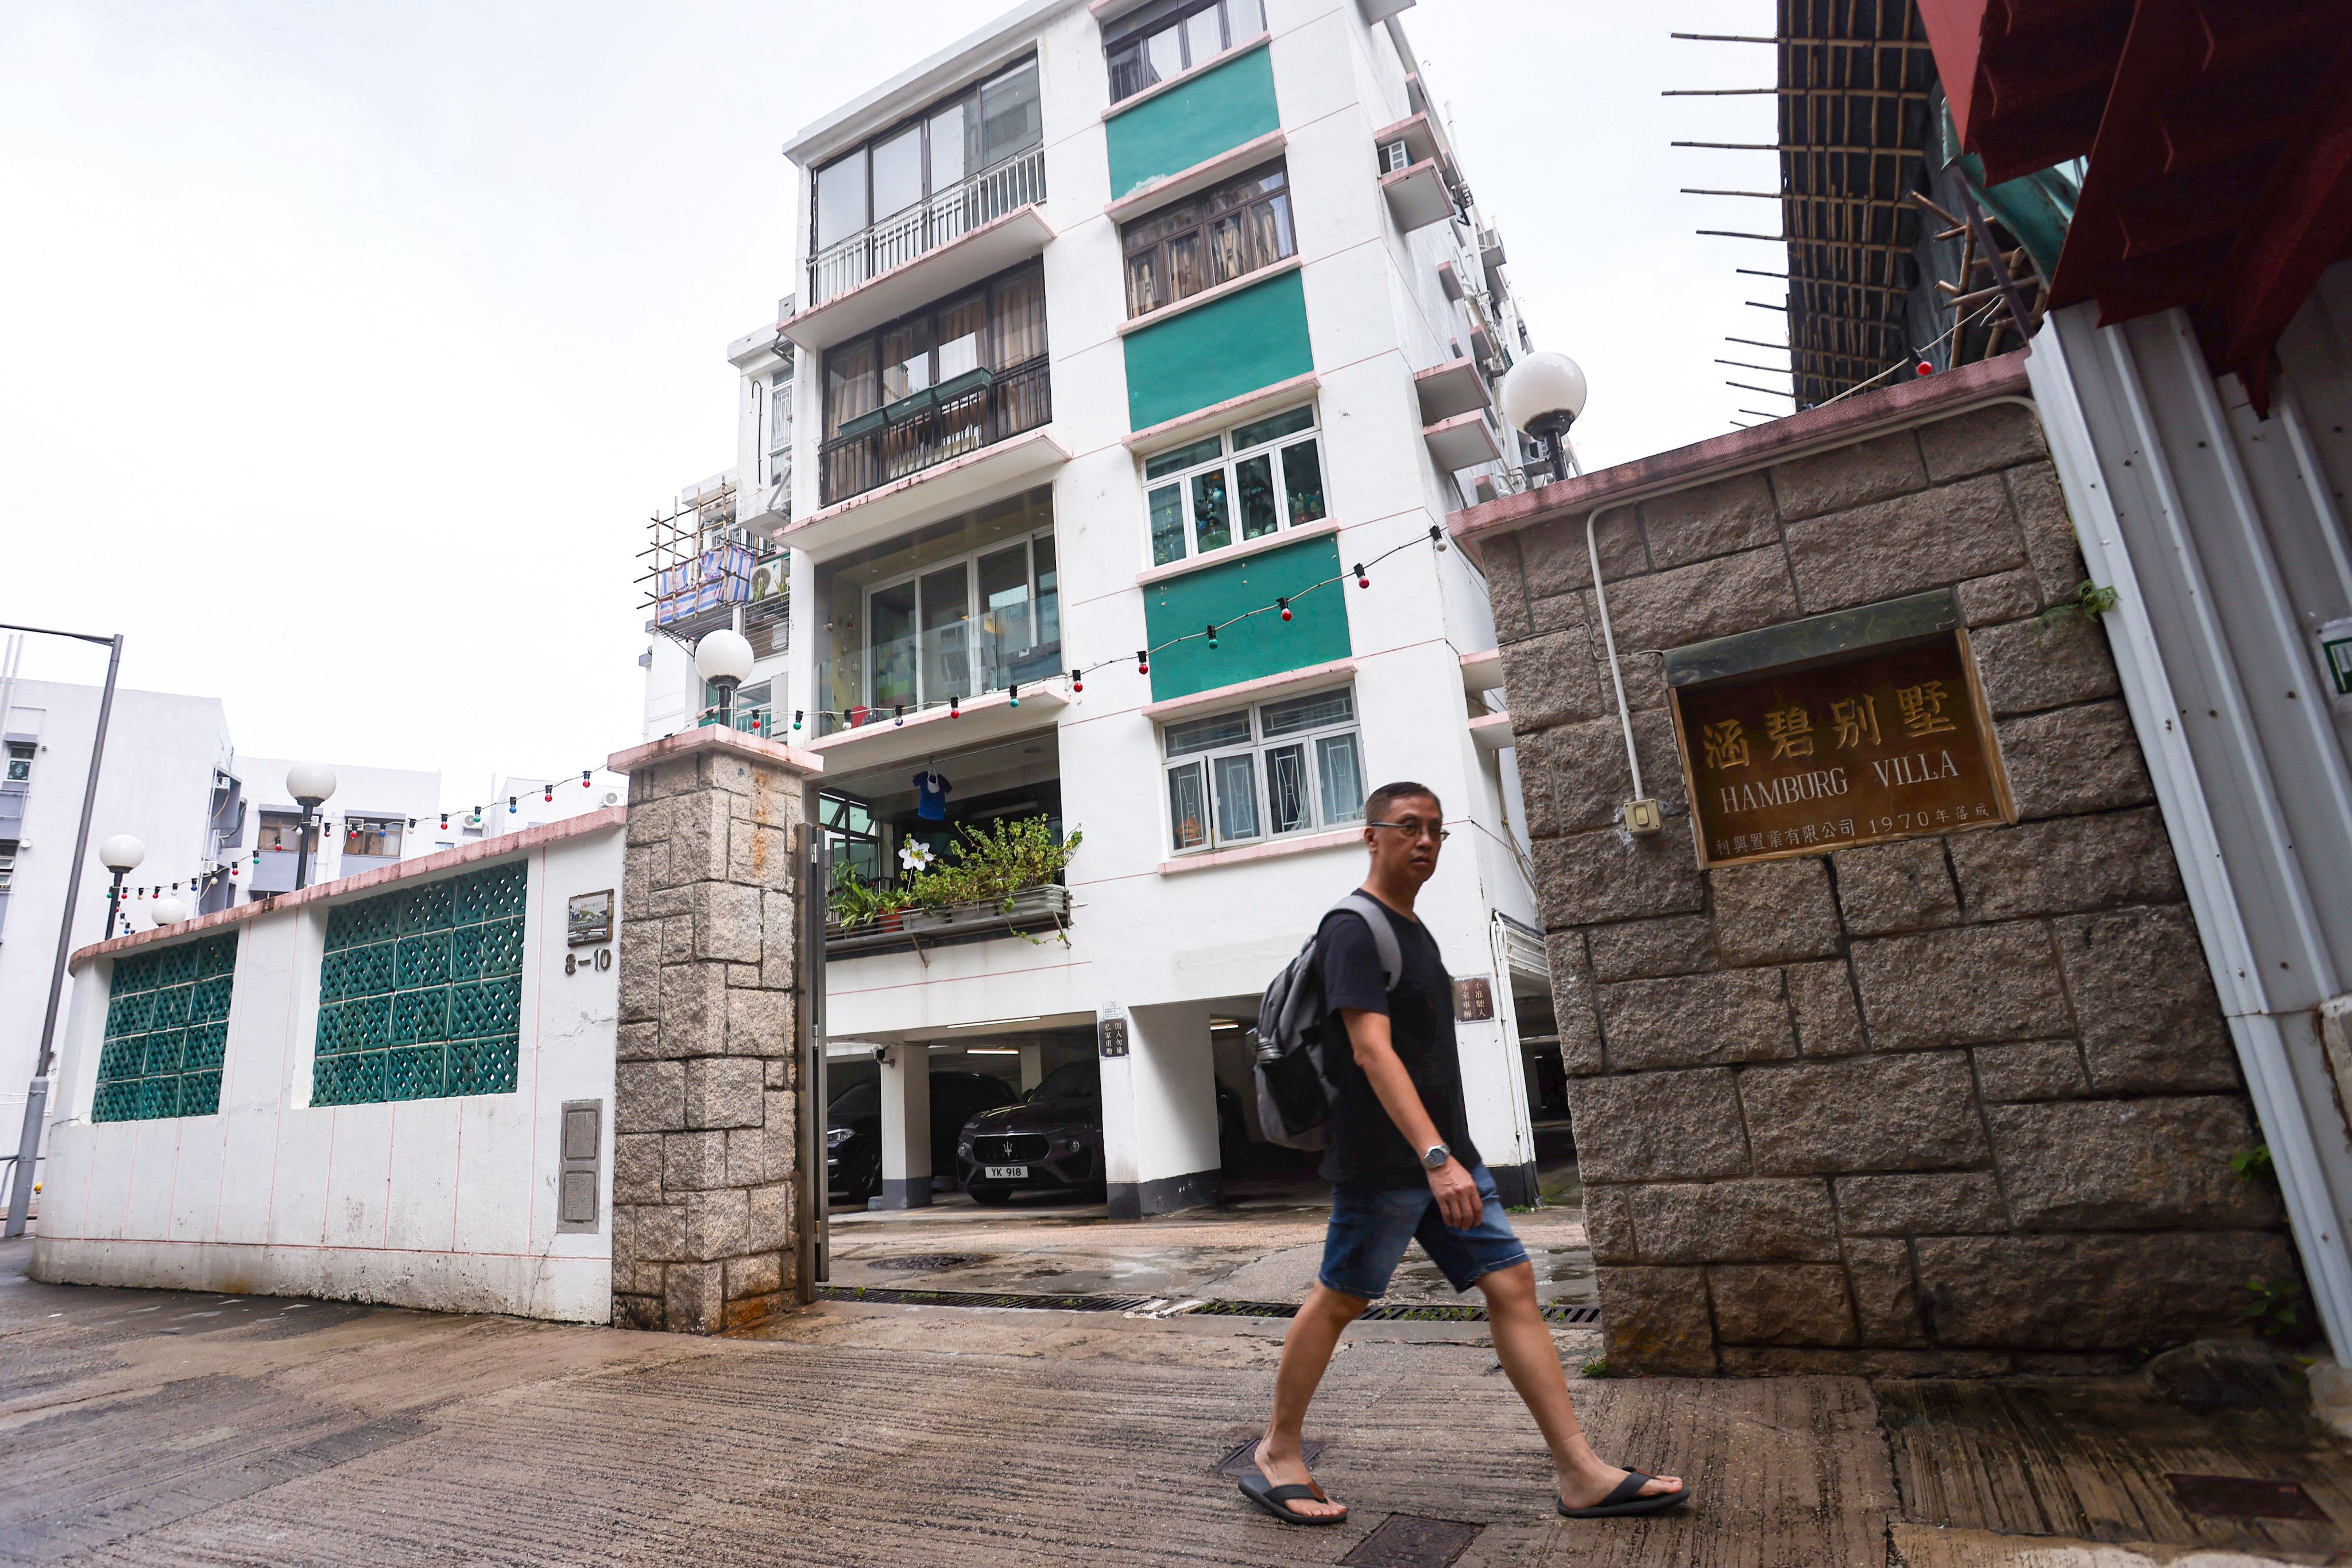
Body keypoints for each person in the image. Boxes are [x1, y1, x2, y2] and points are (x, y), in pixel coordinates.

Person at [1239, 781, 1689, 1527]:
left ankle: (1579, 1471)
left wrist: (1450, 1155)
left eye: (1437, 831)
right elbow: (1372, 1052)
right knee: (1342, 1296)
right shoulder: (1354, 927)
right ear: (1371, 835)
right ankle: (1278, 1453)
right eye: (1408, 827)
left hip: (1443, 1155)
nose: (1425, 841)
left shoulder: (1413, 931)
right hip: (1391, 1161)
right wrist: (1436, 1155)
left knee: (1511, 1284)